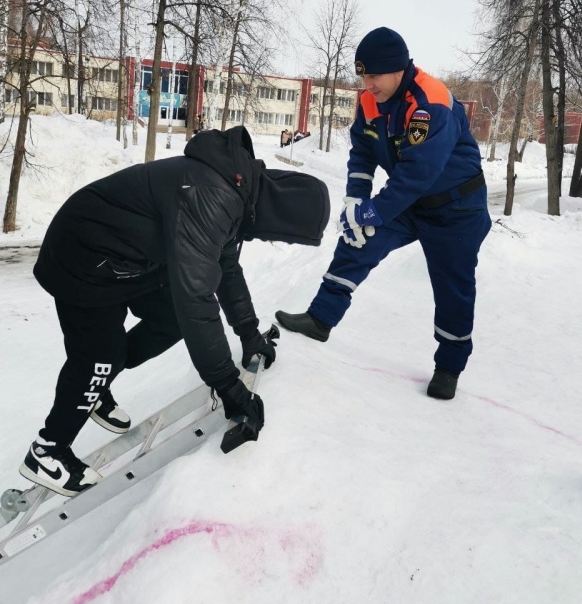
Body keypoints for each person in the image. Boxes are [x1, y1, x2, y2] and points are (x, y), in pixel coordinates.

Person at [21, 126, 330, 496]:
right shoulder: (214, 196)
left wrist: (248, 333)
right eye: (280, 235)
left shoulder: (237, 190)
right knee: (99, 355)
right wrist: (228, 386)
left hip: (127, 257)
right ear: (282, 215)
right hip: (84, 254)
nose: (269, 239)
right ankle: (48, 450)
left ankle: (93, 388)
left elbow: (225, 268)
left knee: (168, 320)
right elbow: (196, 297)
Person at [276, 27, 491, 400]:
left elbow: (418, 174)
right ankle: (320, 318)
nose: (367, 84)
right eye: (362, 76)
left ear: (397, 69)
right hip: (410, 202)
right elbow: (362, 151)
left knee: (453, 285)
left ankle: (449, 366)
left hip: (456, 207)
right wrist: (356, 200)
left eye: (372, 76)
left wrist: (375, 211)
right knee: (358, 243)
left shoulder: (430, 102)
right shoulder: (370, 101)